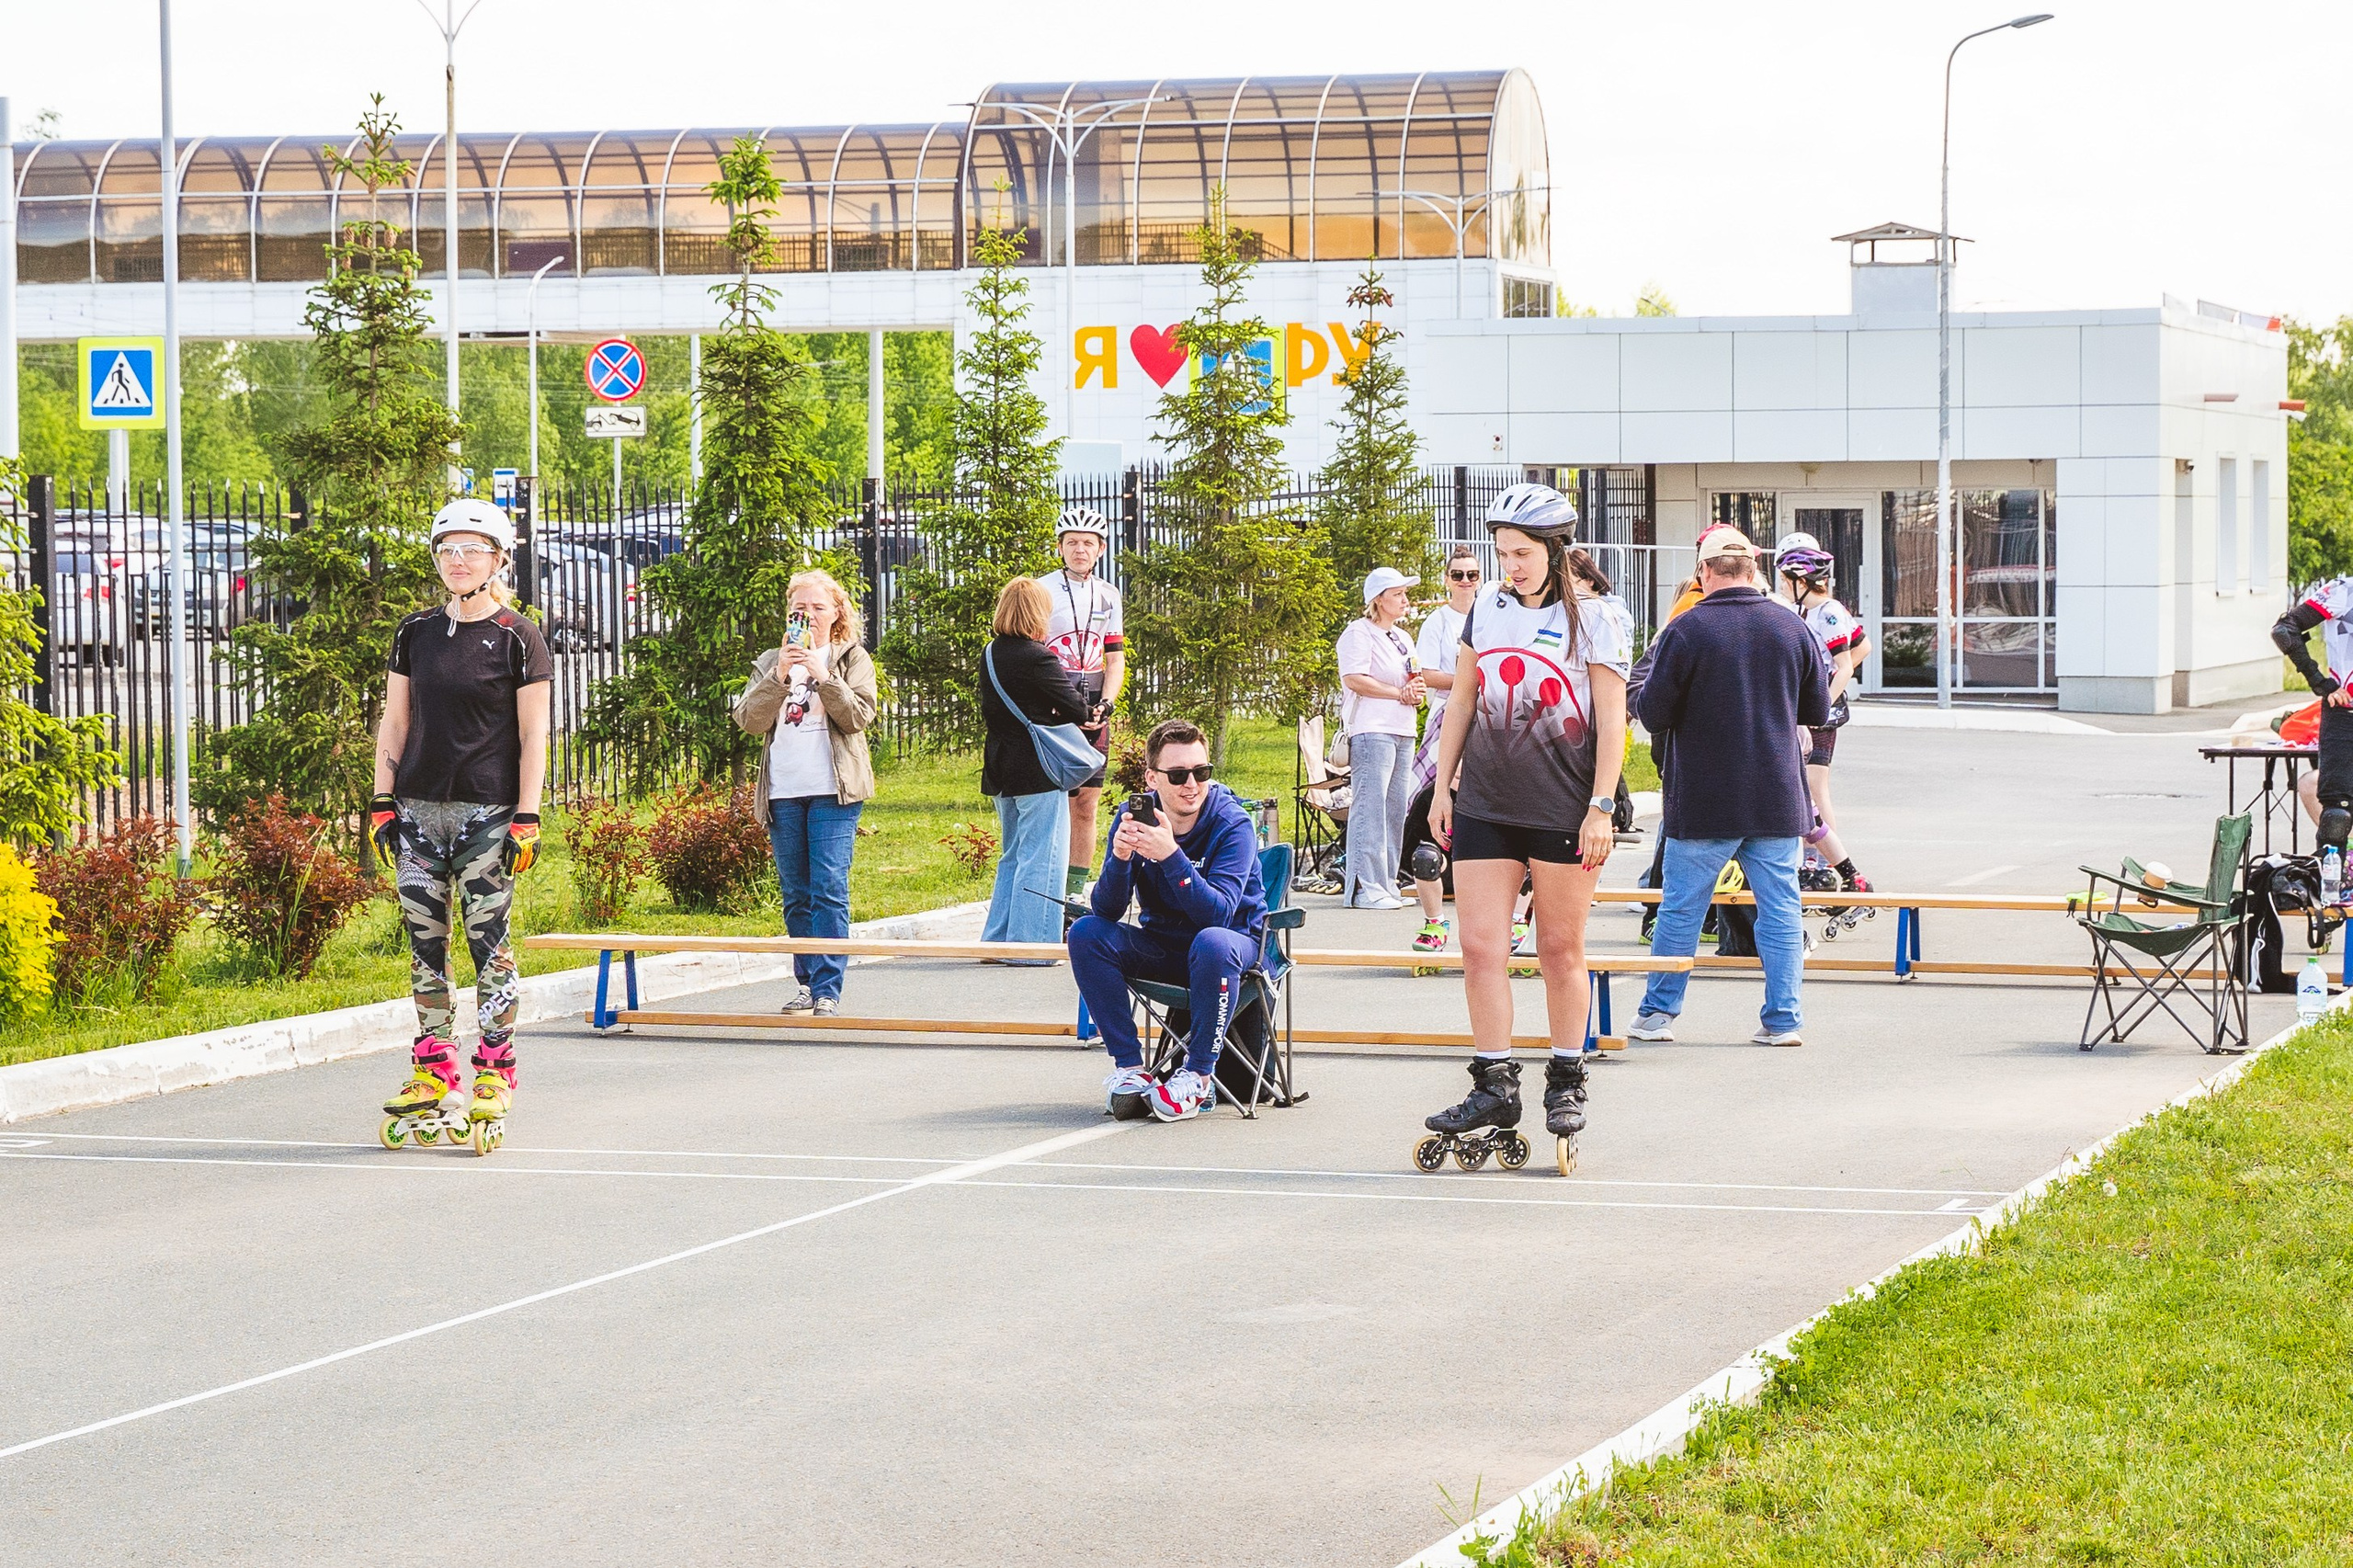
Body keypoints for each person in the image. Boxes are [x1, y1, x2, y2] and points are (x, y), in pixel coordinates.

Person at [1421, 490, 1631, 1158]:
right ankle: (1494, 1081)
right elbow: (1462, 698)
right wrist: (1441, 785)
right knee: (1481, 948)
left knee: (1558, 952)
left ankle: (1567, 1077)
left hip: (1564, 807)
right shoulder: (1487, 608)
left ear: (1555, 550)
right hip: (1485, 800)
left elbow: (1611, 719)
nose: (1508, 565)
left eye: (1522, 553)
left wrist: (1601, 806)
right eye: (1502, 552)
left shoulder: (1597, 617)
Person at [373, 499, 551, 1153]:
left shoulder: (517, 636)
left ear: (500, 559)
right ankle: (432, 1069)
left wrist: (526, 816)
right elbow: (395, 722)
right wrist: (381, 800)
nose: (457, 560)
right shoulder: (414, 632)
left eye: (472, 549)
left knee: (488, 944)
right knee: (426, 946)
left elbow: (535, 735)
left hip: (488, 813)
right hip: (418, 812)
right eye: (447, 549)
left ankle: (495, 1070)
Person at [1628, 528, 1829, 1047]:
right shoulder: (1791, 626)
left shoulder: (1687, 629)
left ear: (1704, 572)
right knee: (1781, 909)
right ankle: (1784, 1021)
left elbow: (1652, 713)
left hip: (1704, 795)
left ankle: (1657, 1015)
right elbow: (1817, 711)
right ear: (1754, 570)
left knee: (1682, 908)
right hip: (1778, 795)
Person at [1069, 719, 1268, 1123]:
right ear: (1152, 777)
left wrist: (1171, 857)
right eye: (1178, 775)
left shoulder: (1233, 825)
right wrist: (1122, 860)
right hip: (1165, 946)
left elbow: (1219, 914)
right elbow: (1107, 910)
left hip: (1233, 950)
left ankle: (1197, 1076)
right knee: (1086, 932)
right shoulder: (1136, 815)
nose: (1191, 784)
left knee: (1212, 940)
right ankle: (1129, 1069)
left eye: (1201, 772)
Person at [732, 569, 878, 1017]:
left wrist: (825, 675)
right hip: (784, 791)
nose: (808, 616)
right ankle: (807, 983)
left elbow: (858, 717)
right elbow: (749, 720)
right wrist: (778, 677)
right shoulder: (772, 660)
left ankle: (829, 989)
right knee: (796, 892)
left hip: (833, 791)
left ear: (836, 614)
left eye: (818, 608)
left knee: (829, 888)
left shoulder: (851, 658)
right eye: (800, 609)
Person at [979, 575, 1090, 952]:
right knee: (1043, 858)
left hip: (999, 769)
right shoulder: (1038, 656)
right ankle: (1033, 948)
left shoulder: (990, 652)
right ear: (1037, 614)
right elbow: (1077, 708)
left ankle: (998, 942)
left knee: (1013, 856)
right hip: (1037, 771)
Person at [1773, 532, 1870, 900]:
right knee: (1805, 787)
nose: (1782, 586)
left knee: (1814, 787)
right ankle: (1815, 861)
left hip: (1823, 711)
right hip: (1807, 707)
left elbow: (1846, 664)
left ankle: (1826, 864)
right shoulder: (1804, 611)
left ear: (1801, 582)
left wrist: (1823, 700)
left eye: (1786, 580)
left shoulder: (1828, 611)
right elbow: (1866, 644)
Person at [1040, 507, 1126, 895]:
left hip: (1094, 701)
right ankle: (1048, 885)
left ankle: (1074, 892)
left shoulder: (1109, 594)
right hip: (1053, 699)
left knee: (1087, 802)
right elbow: (1034, 652)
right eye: (1072, 542)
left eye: (1087, 543)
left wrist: (1106, 703)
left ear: (1101, 549)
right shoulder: (1042, 590)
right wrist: (1057, 703)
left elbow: (1115, 657)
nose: (1079, 550)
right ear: (1060, 548)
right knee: (1053, 801)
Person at [1336, 565, 1427, 909]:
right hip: (1372, 729)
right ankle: (1364, 885)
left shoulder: (1402, 637)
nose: (1405, 600)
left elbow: (1410, 677)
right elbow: (1354, 679)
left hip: (1402, 728)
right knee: (1370, 806)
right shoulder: (1359, 633)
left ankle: (1387, 881)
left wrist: (1413, 693)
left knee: (1394, 809)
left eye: (1405, 594)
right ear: (1378, 600)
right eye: (1397, 594)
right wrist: (1396, 693)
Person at [1408, 546, 1483, 954]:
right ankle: (1435, 921)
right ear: (1448, 578)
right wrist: (1465, 679)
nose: (1466, 582)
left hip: (1492, 720)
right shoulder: (1438, 621)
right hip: (1448, 718)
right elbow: (1426, 673)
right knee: (1433, 819)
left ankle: (1514, 923)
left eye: (1472, 575)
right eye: (1459, 575)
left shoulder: (1492, 612)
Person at [2274, 585, 2353, 851]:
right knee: (2336, 814)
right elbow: (2285, 630)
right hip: (2345, 713)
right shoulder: (2344, 591)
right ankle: (2334, 884)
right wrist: (2321, 683)